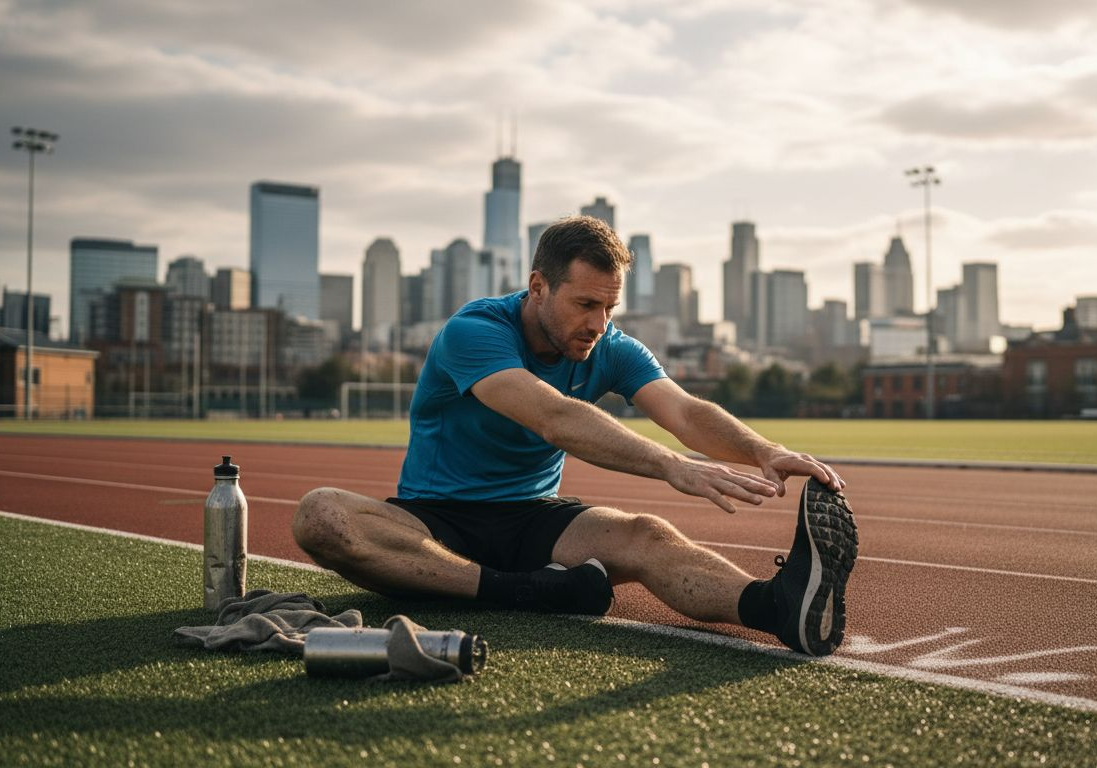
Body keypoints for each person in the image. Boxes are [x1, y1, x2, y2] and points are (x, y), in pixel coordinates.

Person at [293, 216, 859, 656]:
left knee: (646, 534)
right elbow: (554, 417)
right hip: (433, 519)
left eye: (609, 308)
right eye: (585, 303)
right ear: (539, 286)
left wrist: (765, 450)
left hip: (535, 520)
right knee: (322, 515)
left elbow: (684, 411)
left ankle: (778, 608)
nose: (598, 323)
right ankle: (529, 591)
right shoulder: (475, 331)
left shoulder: (609, 347)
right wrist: (671, 466)